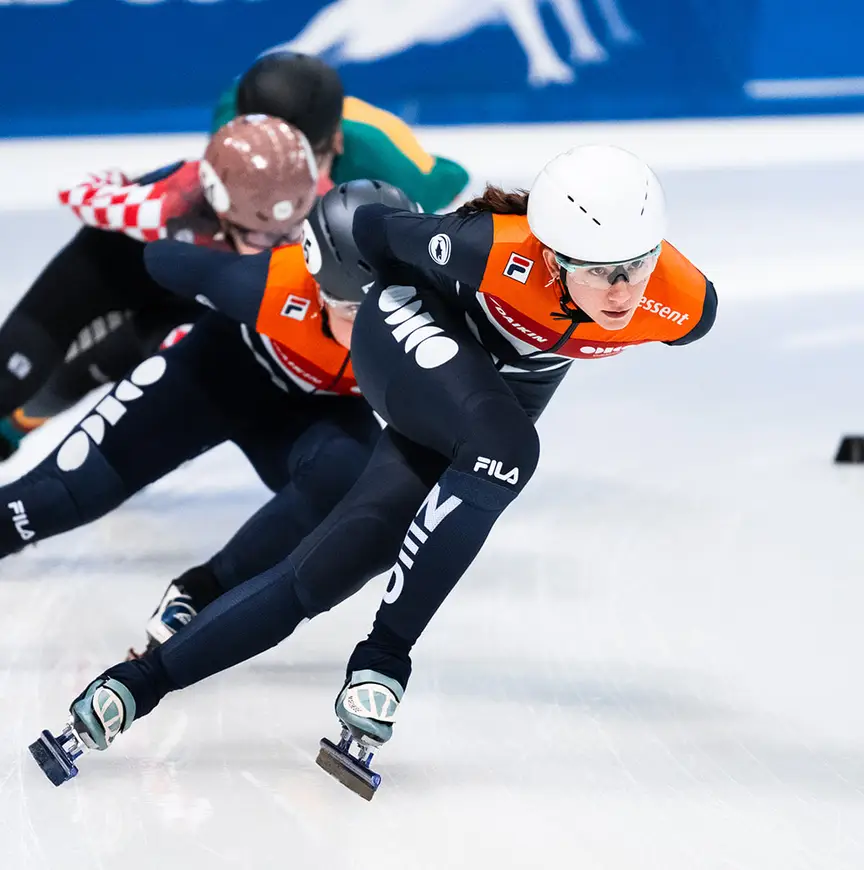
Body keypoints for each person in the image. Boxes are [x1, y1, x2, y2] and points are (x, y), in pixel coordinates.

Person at [32, 145, 717, 800]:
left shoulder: (682, 302)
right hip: (405, 333)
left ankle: (131, 686)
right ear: (550, 253)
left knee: (324, 573)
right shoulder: (492, 248)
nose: (623, 290)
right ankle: (386, 662)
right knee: (508, 451)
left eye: (637, 263)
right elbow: (371, 226)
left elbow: (657, 300)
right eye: (598, 270)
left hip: (479, 402)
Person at [3, 182, 420, 653]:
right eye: (354, 310)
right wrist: (178, 211)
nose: (375, 328)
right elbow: (163, 260)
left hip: (315, 419)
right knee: (54, 498)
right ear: (319, 287)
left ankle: (200, 594)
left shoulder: (435, 315)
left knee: (351, 479)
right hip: (218, 375)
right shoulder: (266, 283)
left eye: (393, 305)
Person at [0, 51, 468, 459]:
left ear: (338, 145)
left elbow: (452, 185)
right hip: (204, 246)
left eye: (304, 169)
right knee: (84, 308)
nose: (277, 184)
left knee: (123, 350)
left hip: (265, 267)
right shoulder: (234, 116)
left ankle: (22, 417)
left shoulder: (399, 177)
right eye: (257, 166)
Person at [213, 50, 469, 213]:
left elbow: (453, 178)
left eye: (304, 169)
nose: (284, 185)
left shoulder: (391, 176)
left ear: (338, 142)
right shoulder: (230, 122)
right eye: (264, 164)